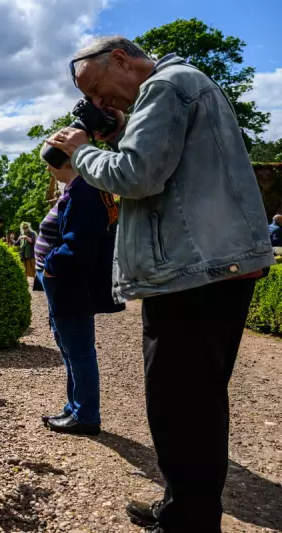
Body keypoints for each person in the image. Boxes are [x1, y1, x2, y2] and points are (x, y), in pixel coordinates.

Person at [46, 36, 275, 533]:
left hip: (194, 275)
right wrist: (124, 130)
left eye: (96, 87)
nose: (97, 102)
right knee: (193, 403)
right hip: (208, 269)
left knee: (181, 407)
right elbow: (167, 165)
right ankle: (184, 507)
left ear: (122, 60)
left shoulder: (167, 86)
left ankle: (187, 522)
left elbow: (138, 174)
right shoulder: (185, 84)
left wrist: (82, 151)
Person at [35, 161, 125, 436]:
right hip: (64, 284)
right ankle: (75, 407)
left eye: (50, 162)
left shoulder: (85, 191)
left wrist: (50, 265)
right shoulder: (79, 188)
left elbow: (79, 246)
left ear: (65, 162)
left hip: (70, 284)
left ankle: (85, 415)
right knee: (70, 349)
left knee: (79, 351)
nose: (48, 169)